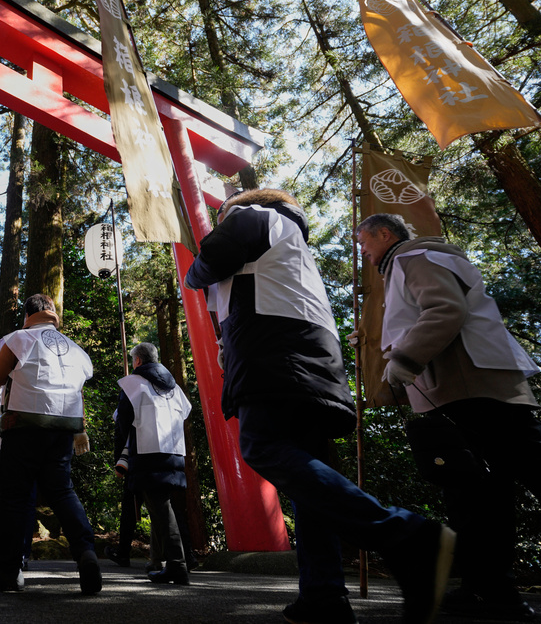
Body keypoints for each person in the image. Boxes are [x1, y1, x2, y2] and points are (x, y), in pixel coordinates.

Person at [184, 188, 454, 624]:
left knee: (263, 445)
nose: (222, 220)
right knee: (308, 481)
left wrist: (192, 274)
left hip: (274, 351)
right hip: (308, 355)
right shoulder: (291, 242)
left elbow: (210, 260)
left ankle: (406, 534)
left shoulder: (253, 215)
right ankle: (323, 593)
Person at [357, 213, 541, 621]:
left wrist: (405, 359)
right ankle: (489, 590)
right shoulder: (421, 258)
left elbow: (444, 309)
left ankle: (492, 590)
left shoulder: (413, 256)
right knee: (480, 494)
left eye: (365, 243)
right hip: (481, 384)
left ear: (385, 234)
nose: (364, 253)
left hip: (468, 386)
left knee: (486, 491)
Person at [0, 293, 100, 594]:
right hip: (63, 429)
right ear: (52, 313)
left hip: (23, 427)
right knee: (62, 492)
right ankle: (86, 554)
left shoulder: (19, 339)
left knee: (15, 499)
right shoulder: (76, 350)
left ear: (27, 316)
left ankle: (10, 572)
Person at [114, 342, 193, 586]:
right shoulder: (175, 387)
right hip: (174, 452)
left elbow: (122, 424)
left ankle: (178, 565)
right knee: (161, 504)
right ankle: (157, 561)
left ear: (137, 361)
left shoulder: (132, 384)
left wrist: (119, 458)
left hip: (147, 452)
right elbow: (186, 412)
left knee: (159, 506)